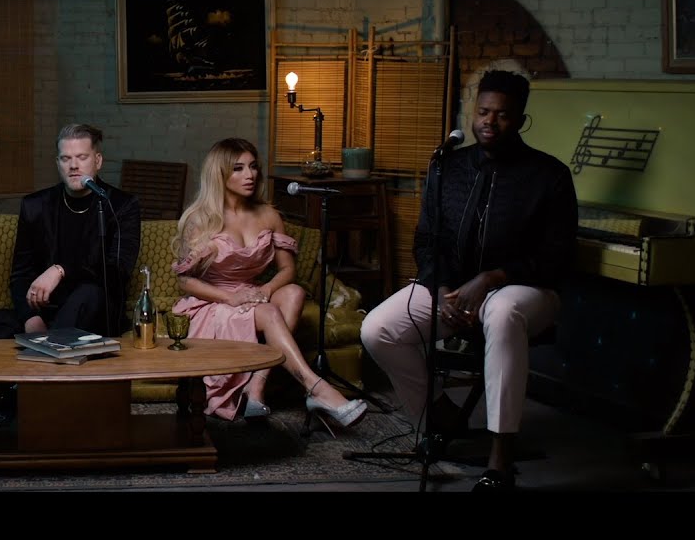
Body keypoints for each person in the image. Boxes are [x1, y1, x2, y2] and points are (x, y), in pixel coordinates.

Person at [359, 69, 578, 491]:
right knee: (378, 329)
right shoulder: (448, 166)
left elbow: (556, 257)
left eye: (502, 115)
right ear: (473, 112)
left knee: (502, 311)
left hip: (526, 290)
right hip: (455, 289)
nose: (489, 122)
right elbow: (426, 241)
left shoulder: (548, 175)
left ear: (521, 120)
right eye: (483, 112)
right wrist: (442, 289)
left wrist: (492, 278)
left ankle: (500, 458)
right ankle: (438, 414)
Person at [170, 138, 368, 431]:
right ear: (219, 173)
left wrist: (264, 290)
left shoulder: (269, 215)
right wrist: (230, 298)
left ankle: (257, 384)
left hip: (253, 294)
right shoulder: (201, 220)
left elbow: (288, 270)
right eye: (238, 168)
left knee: (294, 292)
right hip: (214, 302)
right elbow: (185, 280)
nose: (250, 175)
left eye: (253, 167)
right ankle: (315, 387)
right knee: (270, 312)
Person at [0, 124, 142, 425]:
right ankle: (45, 360)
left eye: (82, 157)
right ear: (58, 162)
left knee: (88, 293)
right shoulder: (35, 205)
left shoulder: (121, 205)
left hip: (95, 314)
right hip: (46, 314)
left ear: (97, 161)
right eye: (66, 158)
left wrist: (60, 270)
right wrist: (30, 318)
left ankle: (17, 399)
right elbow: (20, 273)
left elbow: (117, 269)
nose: (74, 165)